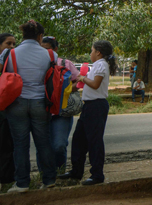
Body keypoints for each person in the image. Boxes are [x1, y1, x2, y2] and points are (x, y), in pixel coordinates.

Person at [3, 21, 56, 192]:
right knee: (43, 142)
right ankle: (49, 180)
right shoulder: (50, 55)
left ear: (22, 35)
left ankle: (22, 183)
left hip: (16, 103)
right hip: (40, 102)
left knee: (20, 144)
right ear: (40, 37)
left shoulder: (9, 54)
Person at [59, 40, 116, 185]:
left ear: (98, 52)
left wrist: (82, 78)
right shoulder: (98, 65)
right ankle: (76, 171)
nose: (90, 53)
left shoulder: (101, 64)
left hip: (96, 106)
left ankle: (97, 175)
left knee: (94, 141)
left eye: (91, 51)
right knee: (79, 139)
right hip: (89, 106)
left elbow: (95, 85)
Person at [40, 36, 80, 172]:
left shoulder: (65, 63)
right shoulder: (36, 63)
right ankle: (45, 175)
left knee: (59, 145)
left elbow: (78, 81)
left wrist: (65, 89)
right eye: (41, 49)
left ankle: (59, 172)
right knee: (43, 146)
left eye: (47, 49)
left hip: (61, 111)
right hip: (41, 110)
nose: (44, 52)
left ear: (55, 49)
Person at [0, 33, 16, 188]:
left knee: (6, 145)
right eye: (8, 44)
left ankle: (6, 179)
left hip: (6, 110)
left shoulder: (11, 63)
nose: (11, 47)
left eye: (13, 44)